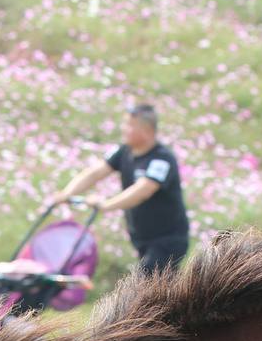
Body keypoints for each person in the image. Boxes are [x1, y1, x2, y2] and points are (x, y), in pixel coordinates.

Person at [49, 103, 189, 274]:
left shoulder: (162, 159)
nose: (124, 129)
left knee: (144, 282)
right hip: (142, 239)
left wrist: (106, 205)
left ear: (147, 130)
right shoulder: (123, 152)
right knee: (157, 288)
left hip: (168, 240)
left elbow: (143, 190)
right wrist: (67, 193)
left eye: (130, 125)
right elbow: (95, 173)